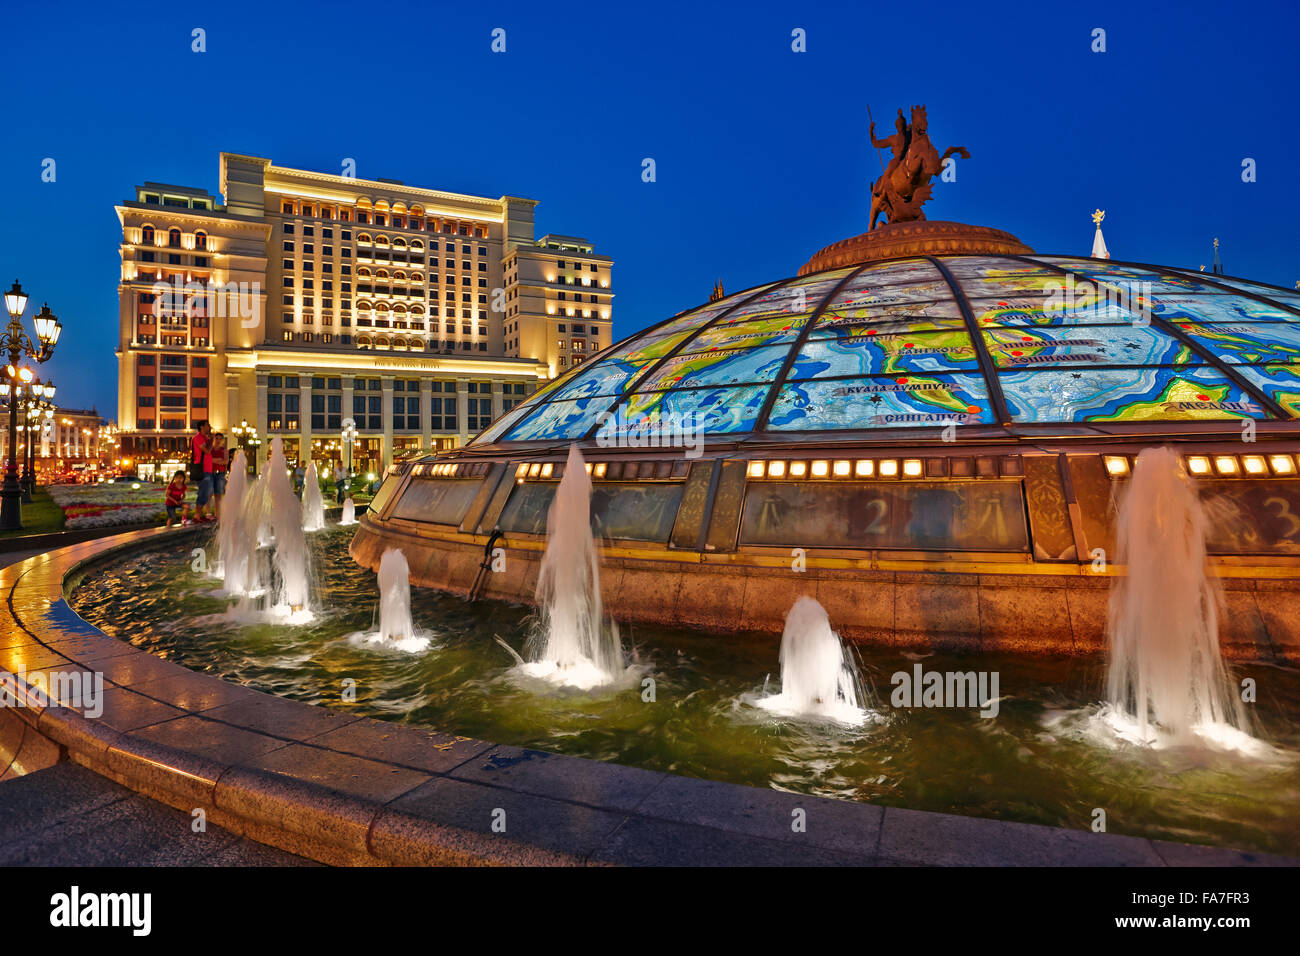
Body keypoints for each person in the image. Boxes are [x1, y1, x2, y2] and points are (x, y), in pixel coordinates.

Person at [190, 421, 215, 523]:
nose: (210, 427)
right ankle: (197, 516)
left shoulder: (205, 438)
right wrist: (212, 439)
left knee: (208, 493)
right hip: (202, 470)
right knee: (203, 493)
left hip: (208, 469)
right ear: (201, 427)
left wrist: (210, 439)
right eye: (208, 425)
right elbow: (207, 451)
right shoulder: (198, 438)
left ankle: (200, 515)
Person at [210, 432, 229, 520]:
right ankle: (208, 513)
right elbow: (207, 460)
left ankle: (217, 515)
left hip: (220, 473)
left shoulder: (224, 450)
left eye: (220, 438)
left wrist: (214, 460)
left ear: (222, 440)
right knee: (209, 494)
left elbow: (225, 461)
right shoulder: (210, 449)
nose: (218, 440)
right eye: (216, 438)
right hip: (210, 472)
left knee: (218, 495)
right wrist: (218, 460)